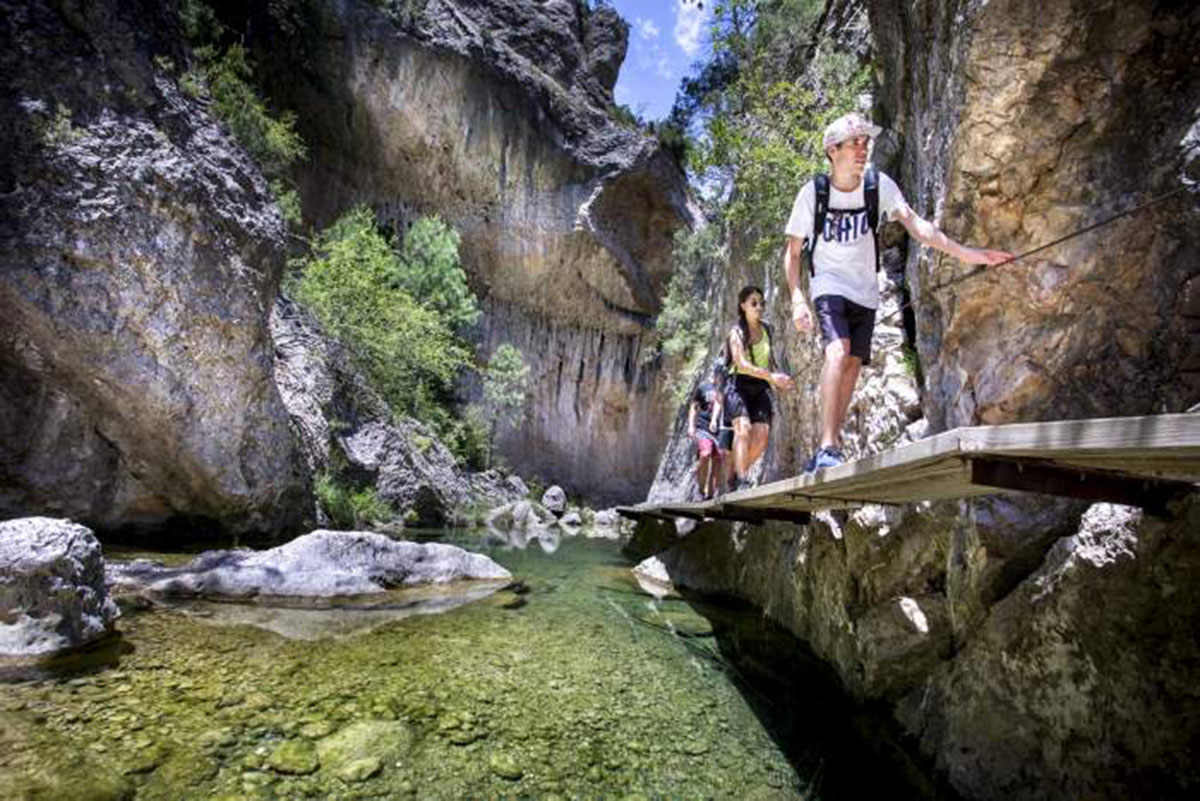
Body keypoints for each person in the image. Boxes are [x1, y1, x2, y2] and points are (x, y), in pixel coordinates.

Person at [783, 113, 1012, 472]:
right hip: (828, 284)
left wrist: (973, 255)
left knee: (853, 365)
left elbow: (919, 228)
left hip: (865, 290)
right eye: (854, 142)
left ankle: (834, 442)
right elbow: (794, 250)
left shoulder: (878, 185)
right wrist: (797, 297)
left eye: (865, 142)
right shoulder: (813, 193)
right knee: (837, 352)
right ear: (832, 150)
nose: (863, 149)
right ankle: (827, 445)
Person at [725, 285, 794, 491]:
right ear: (743, 306)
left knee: (762, 437)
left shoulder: (767, 330)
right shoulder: (736, 332)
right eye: (754, 303)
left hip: (761, 386)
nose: (759, 307)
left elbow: (769, 362)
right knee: (743, 429)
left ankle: (738, 471)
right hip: (738, 384)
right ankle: (743, 480)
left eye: (761, 303)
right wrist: (772, 377)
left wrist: (779, 380)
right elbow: (741, 363)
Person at [687, 359, 729, 500]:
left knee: (717, 460)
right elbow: (693, 406)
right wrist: (691, 426)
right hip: (703, 427)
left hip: (720, 430)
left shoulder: (726, 388)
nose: (721, 376)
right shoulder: (704, 387)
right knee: (705, 454)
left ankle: (710, 495)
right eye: (719, 372)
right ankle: (699, 490)